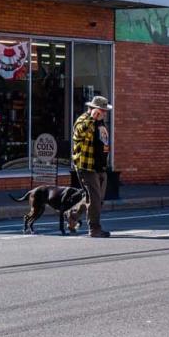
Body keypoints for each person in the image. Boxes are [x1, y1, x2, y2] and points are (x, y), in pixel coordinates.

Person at [67, 95, 111, 237]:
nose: (104, 113)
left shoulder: (101, 122)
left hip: (100, 166)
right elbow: (79, 133)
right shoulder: (83, 120)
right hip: (86, 166)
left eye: (105, 111)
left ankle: (72, 215)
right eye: (101, 110)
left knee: (96, 198)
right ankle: (94, 228)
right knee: (95, 198)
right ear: (93, 109)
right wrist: (92, 118)